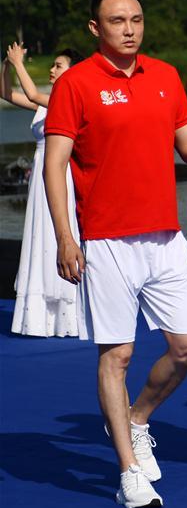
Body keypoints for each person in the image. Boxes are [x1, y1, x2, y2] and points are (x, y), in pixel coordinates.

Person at [43, 0, 187, 508]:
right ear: (96, 28)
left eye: (136, 19)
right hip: (106, 240)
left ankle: (138, 419)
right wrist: (65, 236)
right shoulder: (76, 83)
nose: (129, 29)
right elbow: (54, 165)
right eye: (117, 21)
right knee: (117, 355)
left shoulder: (165, 76)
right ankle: (129, 472)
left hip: (165, 236)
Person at [1, 43, 83, 336]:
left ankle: (68, 312)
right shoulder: (45, 104)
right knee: (40, 234)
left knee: (55, 232)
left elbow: (33, 93)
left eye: (58, 66)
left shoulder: (67, 100)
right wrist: (7, 65)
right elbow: (5, 93)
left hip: (59, 174)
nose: (51, 69)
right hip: (40, 174)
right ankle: (41, 317)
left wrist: (19, 63)